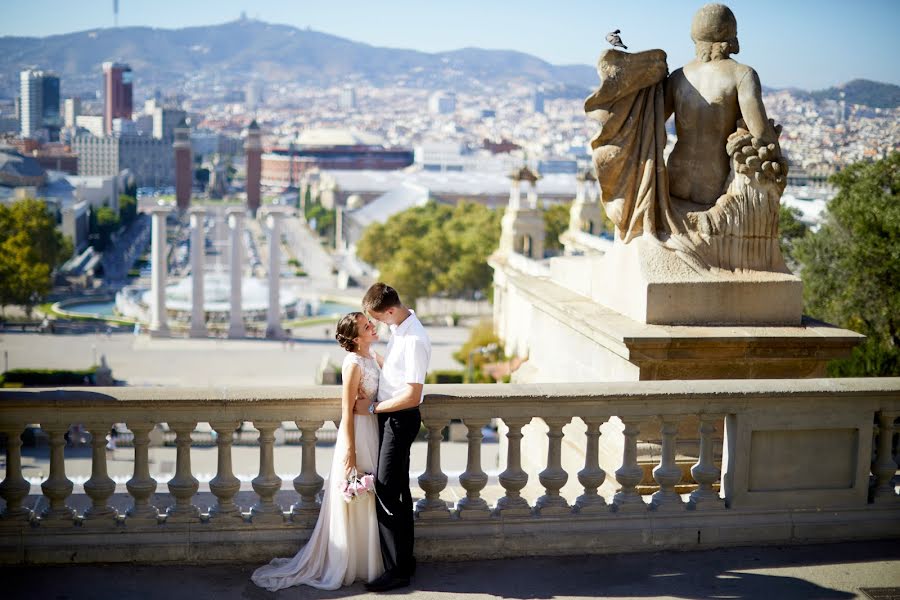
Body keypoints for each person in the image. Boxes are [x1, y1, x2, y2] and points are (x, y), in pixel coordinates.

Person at [251, 312, 384, 591]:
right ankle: (348, 562)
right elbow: (346, 411)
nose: (373, 326)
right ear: (357, 338)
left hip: (373, 429)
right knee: (357, 493)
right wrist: (350, 451)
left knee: (370, 496)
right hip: (358, 434)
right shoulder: (353, 364)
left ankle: (367, 562)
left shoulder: (375, 357)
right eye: (366, 325)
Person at [357, 282, 432, 592]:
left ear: (390, 310)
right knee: (398, 491)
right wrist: (372, 361)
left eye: (379, 318)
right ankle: (405, 560)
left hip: (400, 419)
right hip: (391, 417)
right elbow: (398, 376)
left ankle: (396, 570)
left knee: (387, 491)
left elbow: (413, 396)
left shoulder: (414, 338)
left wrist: (374, 408)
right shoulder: (399, 328)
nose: (378, 324)